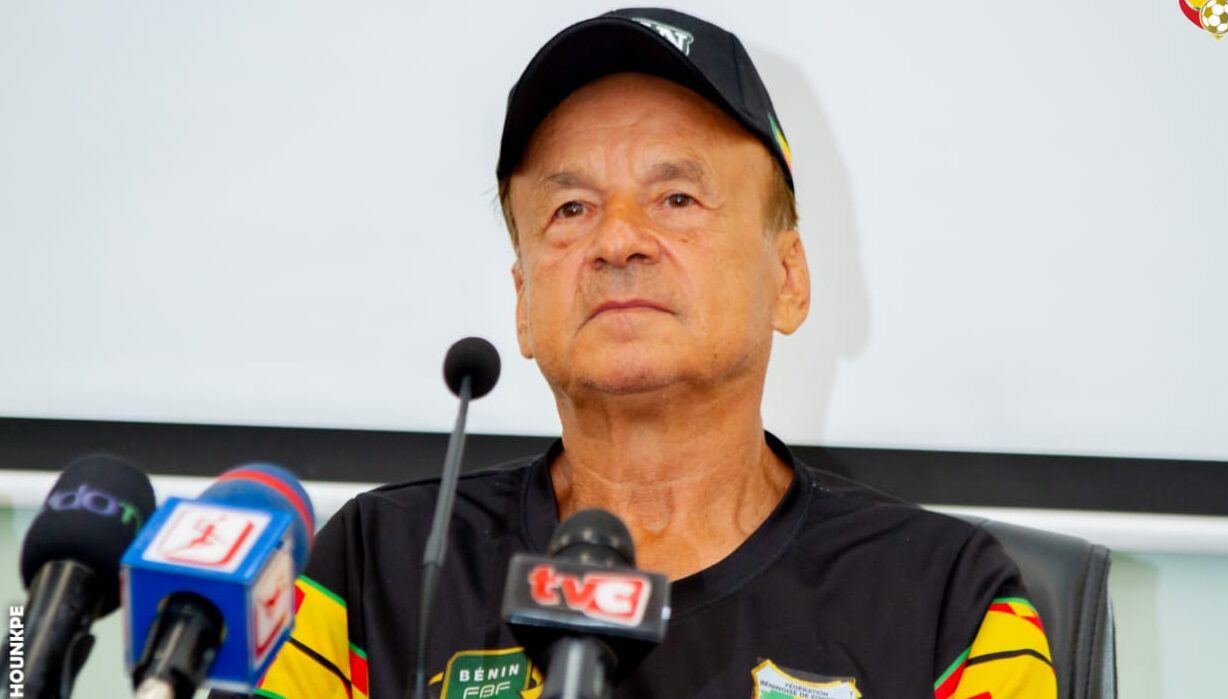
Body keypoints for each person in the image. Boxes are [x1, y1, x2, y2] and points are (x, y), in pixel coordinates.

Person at [217, 8, 1056, 699]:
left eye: (676, 197)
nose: (617, 240)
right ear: (522, 302)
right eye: (571, 209)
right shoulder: (376, 567)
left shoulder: (947, 601)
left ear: (789, 277)